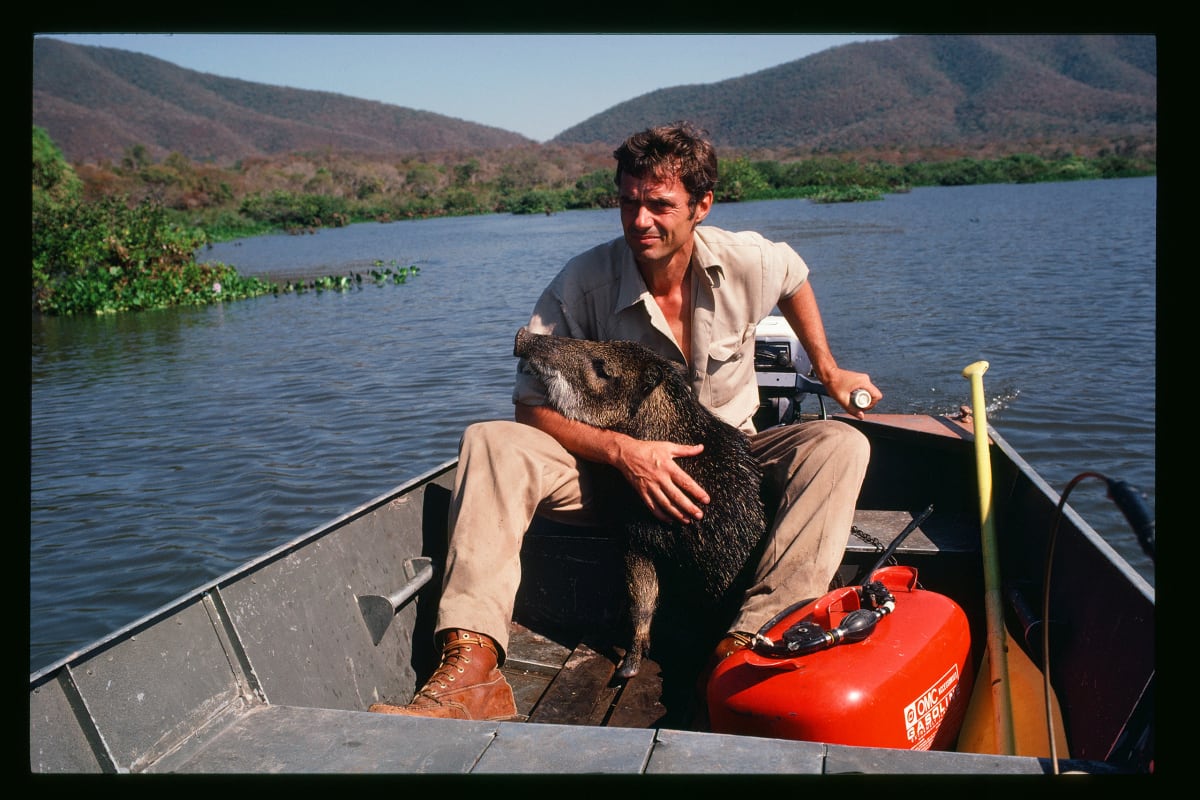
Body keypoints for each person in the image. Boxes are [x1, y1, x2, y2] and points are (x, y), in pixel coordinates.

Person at [369, 121, 879, 721]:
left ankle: (750, 642)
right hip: (610, 471)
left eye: (660, 205)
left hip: (731, 458)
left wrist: (829, 367)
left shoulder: (745, 259)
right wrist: (620, 452)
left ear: (701, 206)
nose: (640, 221)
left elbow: (794, 277)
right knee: (490, 441)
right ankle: (472, 670)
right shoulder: (582, 284)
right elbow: (529, 405)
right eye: (628, 202)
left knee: (839, 445)